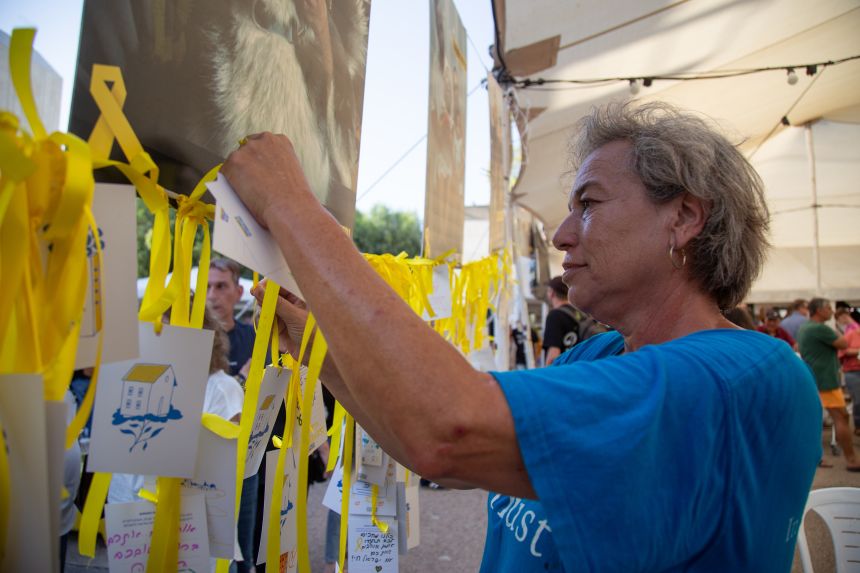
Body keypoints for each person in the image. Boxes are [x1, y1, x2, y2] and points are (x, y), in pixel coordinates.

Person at [222, 102, 821, 572]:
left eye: (588, 204)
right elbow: (461, 458)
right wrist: (319, 353)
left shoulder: (744, 377)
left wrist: (290, 204)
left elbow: (447, 428)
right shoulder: (602, 352)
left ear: (685, 218)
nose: (561, 235)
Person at [206, 257, 258, 571]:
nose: (213, 294)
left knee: (244, 549)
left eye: (221, 286)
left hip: (249, 459)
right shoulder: (190, 338)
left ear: (238, 292)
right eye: (208, 286)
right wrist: (240, 380)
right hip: (208, 465)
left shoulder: (254, 339)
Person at [797, 297, 860, 471]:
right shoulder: (819, 328)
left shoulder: (805, 327)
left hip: (815, 378)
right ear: (819, 310)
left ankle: (818, 458)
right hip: (826, 381)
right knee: (841, 417)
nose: (832, 312)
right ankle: (852, 460)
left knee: (819, 420)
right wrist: (842, 327)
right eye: (829, 308)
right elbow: (844, 343)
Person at [543, 276, 580, 365]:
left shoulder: (554, 316)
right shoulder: (580, 313)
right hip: (582, 369)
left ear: (551, 293)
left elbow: (553, 357)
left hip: (565, 372)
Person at [838, 317, 860, 436]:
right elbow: (842, 351)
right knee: (858, 400)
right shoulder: (851, 335)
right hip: (853, 371)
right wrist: (856, 351)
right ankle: (858, 426)